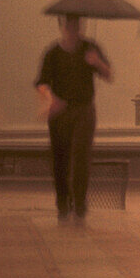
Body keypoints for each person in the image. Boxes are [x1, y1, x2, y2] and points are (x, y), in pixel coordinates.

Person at [35, 14, 113, 223]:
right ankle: (63, 202)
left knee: (80, 158)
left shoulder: (90, 47)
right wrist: (51, 100)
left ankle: (79, 203)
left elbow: (109, 75)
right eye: (70, 25)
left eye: (77, 25)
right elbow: (41, 83)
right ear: (62, 26)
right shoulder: (53, 53)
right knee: (60, 158)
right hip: (59, 111)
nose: (74, 29)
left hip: (84, 110)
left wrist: (96, 62)